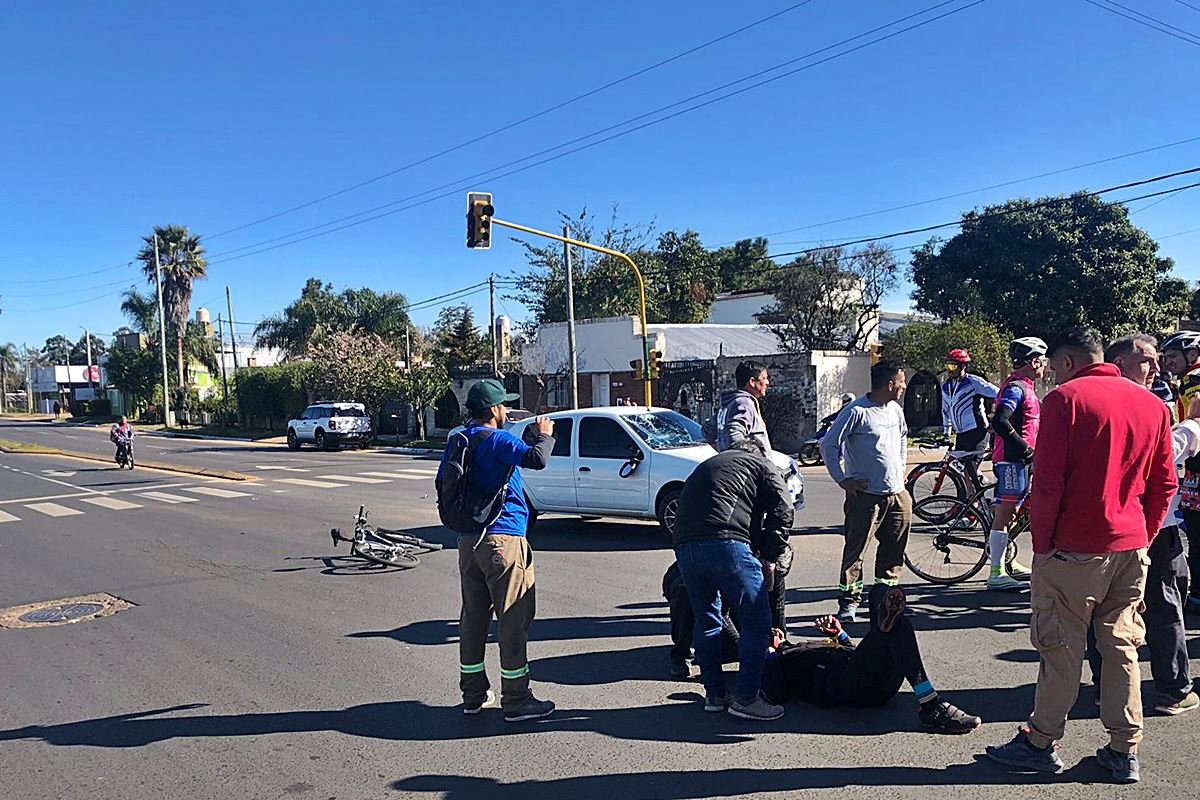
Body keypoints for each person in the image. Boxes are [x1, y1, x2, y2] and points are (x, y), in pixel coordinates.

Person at [985, 328, 1176, 785]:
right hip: (1129, 546)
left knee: (1060, 648)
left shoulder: (1065, 400)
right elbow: (1164, 483)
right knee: (1122, 649)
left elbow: (1048, 482)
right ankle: (1122, 750)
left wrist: (1043, 545)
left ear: (1068, 362)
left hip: (1073, 549)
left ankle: (1040, 741)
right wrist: (1143, 536)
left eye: (1053, 366)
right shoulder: (1152, 405)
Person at [441, 379, 558, 723]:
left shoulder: (458, 439)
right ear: (493, 410)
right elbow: (537, 459)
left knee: (473, 618)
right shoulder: (497, 439)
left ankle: (473, 694)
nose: (507, 410)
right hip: (503, 539)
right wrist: (544, 433)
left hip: (468, 540)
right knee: (513, 618)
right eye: (504, 405)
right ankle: (517, 699)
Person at [1093, 334, 1197, 716]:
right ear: (1117, 362)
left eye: (1158, 361)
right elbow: (1161, 457)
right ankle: (1172, 689)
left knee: (1106, 611)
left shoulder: (1091, 401)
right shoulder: (1145, 405)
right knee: (1164, 604)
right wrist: (1193, 429)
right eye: (1147, 361)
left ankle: (1107, 687)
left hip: (1108, 527)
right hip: (1149, 524)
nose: (1156, 369)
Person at [672, 436, 794, 721]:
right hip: (726, 543)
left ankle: (715, 693)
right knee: (756, 619)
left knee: (707, 620)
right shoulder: (761, 463)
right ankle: (747, 698)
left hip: (685, 547)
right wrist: (770, 557)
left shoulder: (708, 465)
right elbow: (783, 508)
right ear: (763, 454)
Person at [762, 585, 982, 735]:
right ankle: (930, 704)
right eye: (769, 634)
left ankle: (886, 620)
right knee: (895, 627)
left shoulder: (801, 645)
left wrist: (840, 635)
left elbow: (855, 654)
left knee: (882, 599)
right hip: (843, 686)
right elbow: (775, 693)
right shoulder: (781, 659)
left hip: (866, 673)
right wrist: (770, 652)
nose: (775, 632)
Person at [820, 361, 910, 624]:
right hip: (866, 497)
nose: (904, 387)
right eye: (901, 382)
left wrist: (901, 469)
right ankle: (848, 603)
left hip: (897, 494)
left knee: (894, 551)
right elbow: (829, 445)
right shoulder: (856, 411)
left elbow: (903, 438)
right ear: (889, 384)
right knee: (855, 550)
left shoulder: (895, 410)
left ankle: (885, 598)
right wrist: (842, 479)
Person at [663, 543, 792, 679]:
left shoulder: (773, 568)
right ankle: (681, 654)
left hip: (732, 600)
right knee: (687, 596)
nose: (772, 577)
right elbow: (719, 613)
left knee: (751, 647)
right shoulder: (732, 564)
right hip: (686, 582)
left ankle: (715, 649)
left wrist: (777, 641)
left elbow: (777, 608)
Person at [984, 337, 1047, 591]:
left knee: (1015, 512)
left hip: (1021, 460)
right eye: (1042, 361)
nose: (1044, 366)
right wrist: (1025, 449)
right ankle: (996, 572)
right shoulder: (1015, 388)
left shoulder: (1026, 387)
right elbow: (1000, 421)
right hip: (1013, 460)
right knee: (1004, 514)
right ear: (1033, 362)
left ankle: (1007, 562)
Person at [703, 360, 771, 452]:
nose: (767, 382)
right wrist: (756, 457)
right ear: (752, 381)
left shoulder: (729, 404)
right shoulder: (744, 403)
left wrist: (722, 450)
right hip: (750, 465)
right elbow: (734, 436)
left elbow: (707, 432)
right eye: (764, 378)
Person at [940, 348, 999, 453]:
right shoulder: (945, 387)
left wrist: (996, 417)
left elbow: (999, 393)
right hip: (961, 435)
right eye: (947, 366)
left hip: (978, 433)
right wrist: (946, 434)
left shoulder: (974, 382)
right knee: (958, 468)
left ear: (963, 366)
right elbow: (946, 411)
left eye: (953, 366)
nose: (949, 369)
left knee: (970, 468)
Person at [1161, 330, 1200, 423]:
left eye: (1173, 356)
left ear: (1192, 354)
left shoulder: (1193, 379)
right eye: (1166, 358)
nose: (1167, 362)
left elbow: (1195, 420)